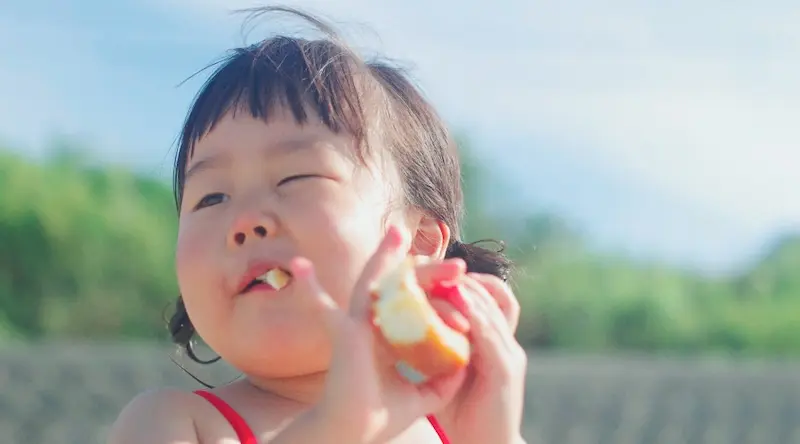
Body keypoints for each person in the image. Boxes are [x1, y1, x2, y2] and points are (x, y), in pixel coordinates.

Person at [108, 6, 528, 444]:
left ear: (418, 243)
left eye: (296, 178)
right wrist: (338, 426)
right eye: (211, 197)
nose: (245, 221)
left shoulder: (459, 430)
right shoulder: (170, 423)